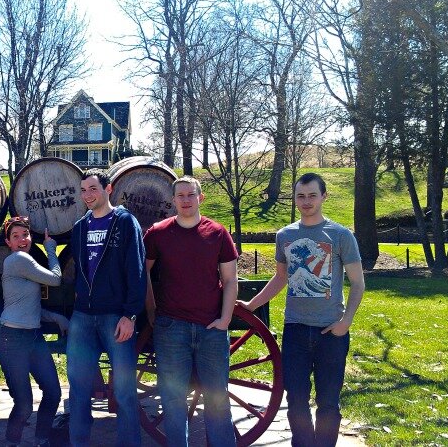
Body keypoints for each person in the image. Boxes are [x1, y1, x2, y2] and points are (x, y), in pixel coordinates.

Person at [239, 172, 365, 447]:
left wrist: (346, 321)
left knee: (328, 402)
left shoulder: (341, 235)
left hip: (331, 331)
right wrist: (251, 305)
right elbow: (281, 278)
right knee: (295, 400)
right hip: (295, 330)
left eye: (312, 195)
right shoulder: (285, 235)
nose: (306, 201)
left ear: (324, 196)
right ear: (295, 198)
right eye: (301, 196)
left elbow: (358, 283)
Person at [143, 176, 239, 447]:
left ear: (200, 197)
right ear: (173, 200)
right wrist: (151, 308)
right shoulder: (159, 233)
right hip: (172, 328)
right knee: (173, 401)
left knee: (217, 398)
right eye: (180, 195)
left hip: (211, 328)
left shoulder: (218, 233)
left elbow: (230, 279)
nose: (185, 200)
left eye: (190, 195)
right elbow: (144, 272)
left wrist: (225, 319)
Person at [66, 168, 147, 447]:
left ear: (108, 189)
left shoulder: (125, 222)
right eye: (84, 190)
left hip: (115, 316)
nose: (88, 195)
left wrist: (130, 314)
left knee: (124, 392)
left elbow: (136, 271)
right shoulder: (79, 228)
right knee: (77, 389)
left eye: (93, 189)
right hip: (83, 317)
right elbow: (79, 272)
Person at [0, 216, 70, 447]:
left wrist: (55, 317)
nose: (22, 240)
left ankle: (42, 439)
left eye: (25, 235)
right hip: (12, 338)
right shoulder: (17, 260)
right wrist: (50, 248)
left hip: (33, 336)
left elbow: (27, 305)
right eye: (15, 236)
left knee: (53, 391)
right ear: (8, 242)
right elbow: (56, 279)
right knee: (24, 403)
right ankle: (12, 442)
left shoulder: (25, 261)